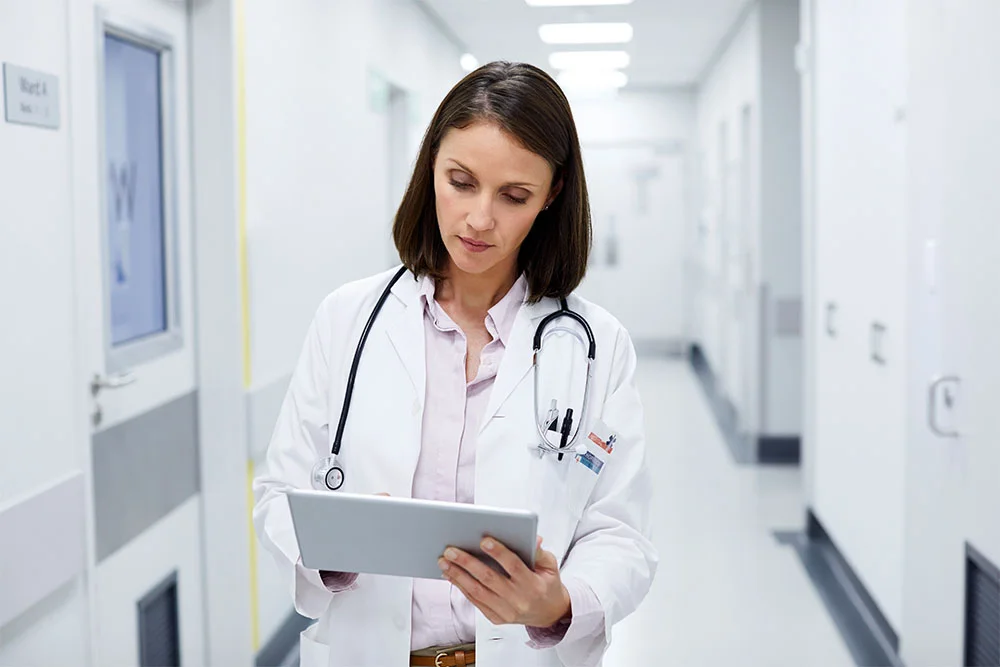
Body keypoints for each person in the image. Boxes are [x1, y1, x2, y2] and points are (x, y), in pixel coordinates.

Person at [253, 61, 657, 667]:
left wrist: (557, 604)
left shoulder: (595, 346)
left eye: (514, 196)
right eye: (460, 182)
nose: (478, 219)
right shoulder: (348, 320)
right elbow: (279, 496)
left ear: (552, 195)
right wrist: (337, 546)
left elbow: (620, 532)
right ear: (429, 170)